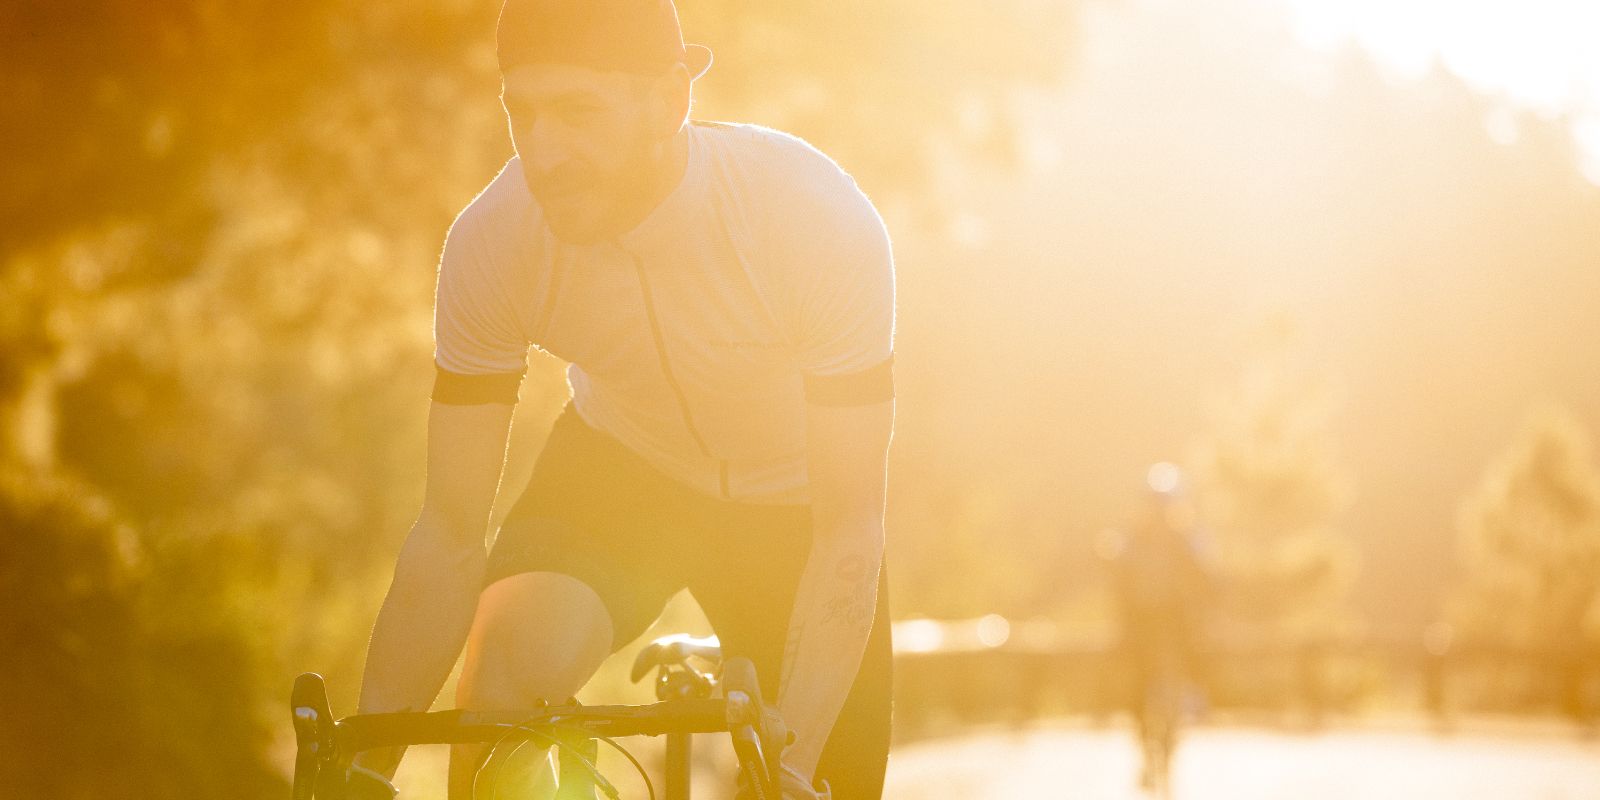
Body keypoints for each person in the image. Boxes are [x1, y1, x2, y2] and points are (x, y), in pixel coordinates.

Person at [345, 0, 897, 798]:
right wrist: (368, 762)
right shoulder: (494, 242)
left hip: (798, 509)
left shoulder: (810, 219)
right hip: (624, 473)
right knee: (502, 681)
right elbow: (450, 530)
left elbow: (850, 523)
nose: (544, 150)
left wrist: (796, 764)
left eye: (577, 111)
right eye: (522, 113)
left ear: (671, 101)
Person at [1105, 463, 1213, 792]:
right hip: (1152, 621)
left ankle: (1179, 711)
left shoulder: (1166, 538)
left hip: (1165, 620)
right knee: (1142, 678)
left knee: (1153, 675)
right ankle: (1155, 731)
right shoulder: (1172, 537)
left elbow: (1205, 576)